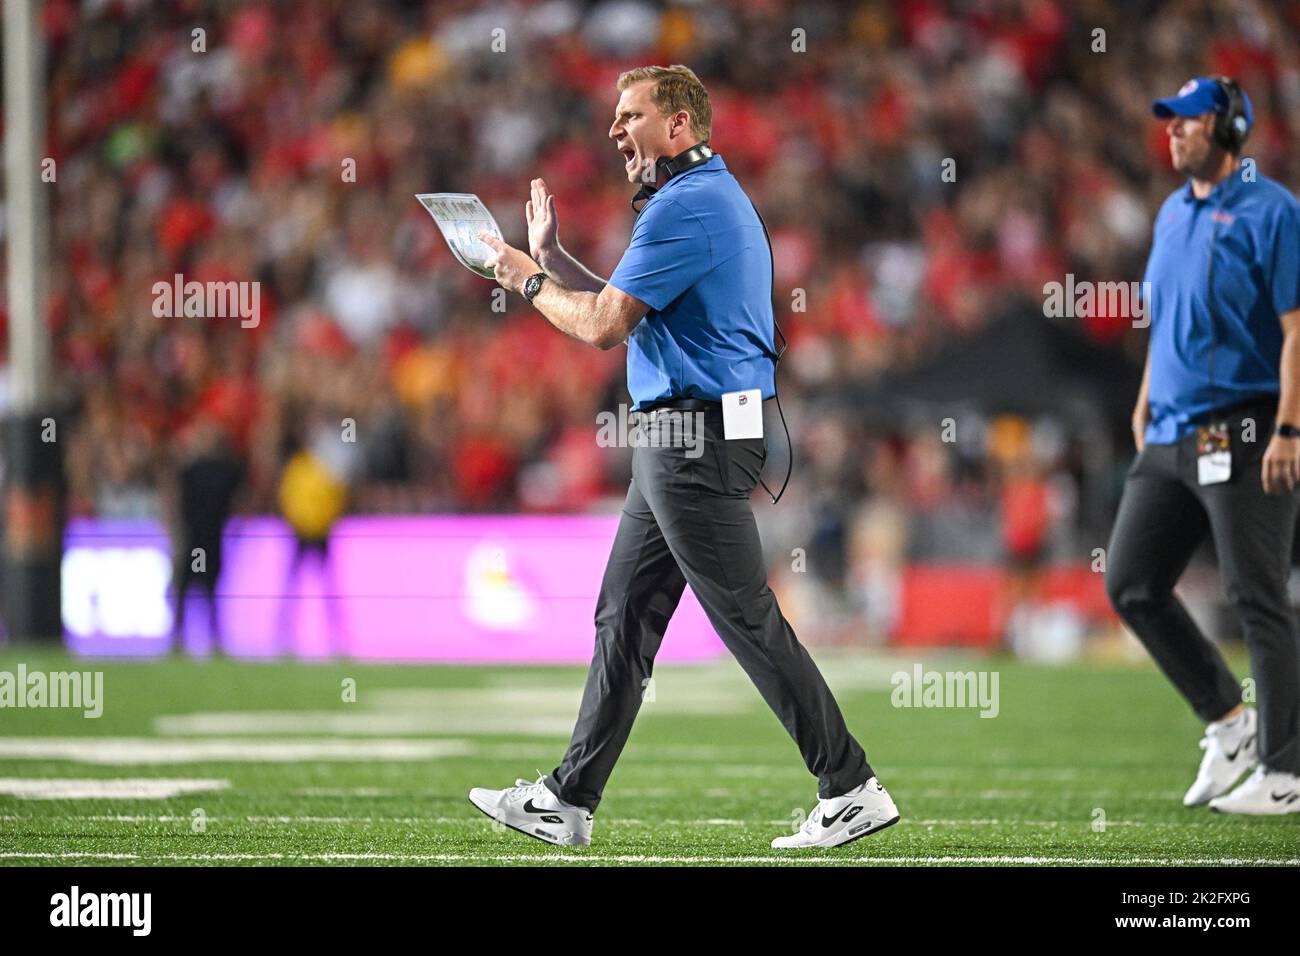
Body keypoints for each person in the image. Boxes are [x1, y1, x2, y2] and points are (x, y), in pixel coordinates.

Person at [468, 65, 898, 848]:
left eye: (630, 115)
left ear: (680, 126)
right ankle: (567, 800)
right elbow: (629, 309)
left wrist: (527, 282)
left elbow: (604, 326)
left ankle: (850, 785)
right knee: (625, 616)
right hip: (693, 436)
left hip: (691, 441)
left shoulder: (683, 204)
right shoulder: (704, 196)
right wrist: (551, 259)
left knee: (743, 616)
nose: (613, 130)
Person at [1105, 77, 1300, 814]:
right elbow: (1168, 318)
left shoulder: (1274, 211)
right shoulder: (1170, 213)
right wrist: (1145, 394)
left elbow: (1297, 330)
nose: (1174, 131)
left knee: (1256, 595)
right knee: (1131, 582)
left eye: (1188, 120)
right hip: (1170, 428)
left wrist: (1290, 427)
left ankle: (1286, 772)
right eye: (1170, 121)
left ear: (1229, 126)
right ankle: (1229, 720)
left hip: (1244, 427)